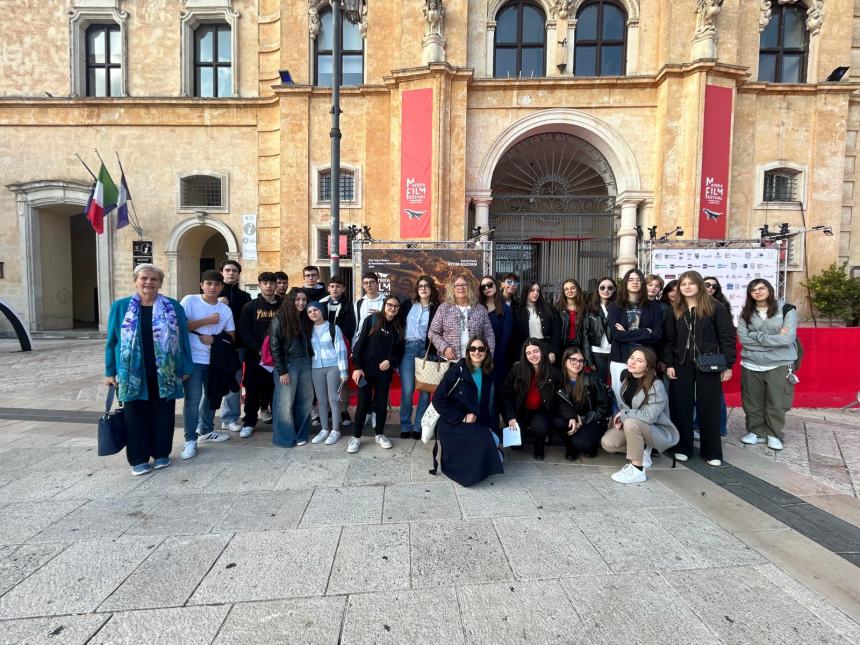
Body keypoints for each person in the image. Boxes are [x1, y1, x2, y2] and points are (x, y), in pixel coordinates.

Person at [104, 264, 193, 475]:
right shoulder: (120, 307)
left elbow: (183, 340)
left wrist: (186, 367)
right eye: (144, 278)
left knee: (164, 414)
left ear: (160, 283)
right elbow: (112, 341)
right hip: (132, 374)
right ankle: (138, 458)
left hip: (166, 372)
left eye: (154, 279)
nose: (149, 282)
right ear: (136, 281)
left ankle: (162, 454)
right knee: (134, 416)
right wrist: (109, 372)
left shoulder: (173, 307)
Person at [664, 271, 736, 466]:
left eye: (691, 283)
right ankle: (682, 447)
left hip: (709, 363)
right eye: (683, 284)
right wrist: (669, 363)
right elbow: (669, 340)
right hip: (681, 363)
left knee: (709, 406)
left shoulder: (716, 307)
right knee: (681, 406)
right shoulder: (675, 309)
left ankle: (712, 452)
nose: (686, 287)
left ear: (699, 286)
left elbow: (727, 337)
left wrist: (728, 365)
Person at [431, 335, 504, 486]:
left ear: (486, 352)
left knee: (495, 443)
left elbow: (492, 403)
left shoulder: (489, 372)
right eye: (473, 348)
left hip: (475, 422)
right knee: (490, 447)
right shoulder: (457, 371)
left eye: (481, 349)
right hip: (454, 423)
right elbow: (438, 400)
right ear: (468, 351)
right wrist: (462, 417)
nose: (477, 352)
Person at [179, 270, 236, 460]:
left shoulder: (225, 310)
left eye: (216, 284)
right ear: (201, 284)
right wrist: (207, 321)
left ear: (222, 287)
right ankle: (190, 439)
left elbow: (231, 336)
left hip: (214, 360)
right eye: (209, 283)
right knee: (192, 400)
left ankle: (206, 429)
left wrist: (214, 338)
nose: (212, 287)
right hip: (194, 360)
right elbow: (179, 326)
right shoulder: (189, 301)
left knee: (212, 396)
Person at [601, 347, 679, 484]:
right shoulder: (627, 379)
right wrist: (621, 419)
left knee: (631, 422)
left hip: (657, 430)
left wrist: (625, 416)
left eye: (639, 360)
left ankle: (637, 469)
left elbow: (649, 416)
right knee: (608, 443)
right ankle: (642, 450)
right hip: (636, 426)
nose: (633, 362)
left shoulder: (656, 385)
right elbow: (625, 407)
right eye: (632, 358)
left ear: (647, 366)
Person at [737, 279, 798, 451]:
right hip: (751, 363)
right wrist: (774, 339)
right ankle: (756, 432)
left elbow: (787, 338)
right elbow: (744, 340)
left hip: (779, 363)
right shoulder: (746, 313)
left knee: (777, 401)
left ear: (769, 289)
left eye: (761, 288)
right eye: (753, 290)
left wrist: (757, 336)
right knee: (752, 401)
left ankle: (774, 434)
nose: (757, 292)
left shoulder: (786, 309)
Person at [349, 295, 405, 453]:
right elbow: (359, 345)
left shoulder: (398, 327)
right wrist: (357, 366)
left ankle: (379, 434)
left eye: (396, 306)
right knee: (363, 404)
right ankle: (356, 437)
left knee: (381, 405)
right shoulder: (372, 320)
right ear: (384, 305)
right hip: (366, 371)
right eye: (389, 305)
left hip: (384, 373)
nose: (392, 308)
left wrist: (391, 362)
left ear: (398, 309)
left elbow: (399, 352)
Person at [501, 338, 561, 461]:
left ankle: (539, 447)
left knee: (541, 426)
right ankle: (520, 435)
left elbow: (559, 398)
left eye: (535, 351)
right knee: (516, 446)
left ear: (542, 351)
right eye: (528, 353)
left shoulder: (553, 373)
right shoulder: (516, 371)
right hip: (520, 411)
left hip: (541, 412)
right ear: (524, 355)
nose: (533, 355)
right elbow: (505, 395)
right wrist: (510, 416)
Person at [607, 268, 663, 397]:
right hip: (620, 358)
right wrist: (645, 332)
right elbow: (616, 335)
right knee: (620, 396)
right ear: (625, 283)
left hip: (645, 360)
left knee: (645, 397)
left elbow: (657, 335)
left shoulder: (653, 306)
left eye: (638, 280)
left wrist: (626, 333)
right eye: (631, 279)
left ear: (643, 284)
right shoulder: (615, 306)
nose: (635, 282)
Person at [238, 272, 281, 436]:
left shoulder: (283, 305)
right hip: (255, 356)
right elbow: (245, 330)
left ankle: (278, 420)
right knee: (253, 389)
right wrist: (258, 349)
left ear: (276, 285)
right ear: (260, 285)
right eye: (265, 283)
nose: (269, 286)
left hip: (277, 358)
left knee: (276, 390)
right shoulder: (250, 306)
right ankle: (249, 421)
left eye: (271, 283)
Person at [270, 289, 314, 447]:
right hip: (289, 364)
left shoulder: (308, 318)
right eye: (297, 299)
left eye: (304, 299)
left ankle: (301, 434)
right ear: (290, 301)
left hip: (307, 363)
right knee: (284, 403)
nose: (301, 302)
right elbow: (274, 347)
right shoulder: (279, 319)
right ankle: (284, 438)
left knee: (305, 400)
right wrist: (282, 371)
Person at [398, 275, 439, 439]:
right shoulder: (408, 305)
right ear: (417, 289)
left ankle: (419, 427)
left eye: (427, 286)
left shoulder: (436, 308)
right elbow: (397, 324)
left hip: (426, 350)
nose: (423, 288)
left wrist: (436, 353)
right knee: (407, 390)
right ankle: (405, 425)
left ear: (431, 289)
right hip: (408, 349)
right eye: (420, 286)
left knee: (424, 392)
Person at [553, 345, 611, 461]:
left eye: (580, 361)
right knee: (557, 422)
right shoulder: (559, 381)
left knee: (582, 444)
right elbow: (559, 405)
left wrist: (582, 419)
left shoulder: (592, 379)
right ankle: (570, 447)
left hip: (593, 420)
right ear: (565, 362)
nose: (577, 363)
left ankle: (591, 444)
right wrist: (572, 417)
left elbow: (605, 408)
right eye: (573, 359)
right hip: (573, 418)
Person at [306, 300, 349, 446]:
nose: (313, 313)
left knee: (333, 399)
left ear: (321, 311)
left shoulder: (333, 328)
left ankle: (335, 430)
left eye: (315, 310)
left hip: (333, 367)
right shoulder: (308, 330)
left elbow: (341, 350)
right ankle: (324, 429)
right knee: (321, 401)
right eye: (310, 311)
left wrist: (343, 371)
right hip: (316, 368)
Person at [428, 274, 496, 362]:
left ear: (469, 287)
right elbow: (432, 332)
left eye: (464, 284)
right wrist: (444, 347)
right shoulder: (444, 308)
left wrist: (488, 356)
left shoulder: (480, 309)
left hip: (475, 361)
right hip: (449, 361)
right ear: (452, 288)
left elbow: (489, 334)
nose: (461, 288)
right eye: (457, 285)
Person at [217, 260, 251, 434]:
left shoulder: (245, 297)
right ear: (222, 272)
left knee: (235, 383)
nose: (231, 273)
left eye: (234, 271)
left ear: (239, 274)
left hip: (238, 346)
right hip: (215, 346)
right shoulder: (212, 295)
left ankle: (230, 418)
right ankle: (204, 423)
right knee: (212, 383)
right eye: (228, 270)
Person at [319, 275, 357, 428]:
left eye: (338, 286)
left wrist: (338, 339)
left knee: (343, 380)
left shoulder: (349, 306)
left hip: (341, 346)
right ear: (329, 288)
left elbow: (350, 327)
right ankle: (327, 410)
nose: (335, 289)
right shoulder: (321, 304)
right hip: (323, 348)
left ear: (343, 289)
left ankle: (343, 411)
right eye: (332, 286)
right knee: (325, 379)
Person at [478, 275, 513, 400]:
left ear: (496, 286)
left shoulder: (506, 310)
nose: (487, 288)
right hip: (478, 356)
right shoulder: (478, 308)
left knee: (496, 393)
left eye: (490, 284)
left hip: (498, 358)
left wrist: (492, 359)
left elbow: (505, 339)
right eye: (483, 286)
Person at [512, 281, 559, 365]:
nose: (535, 293)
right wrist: (517, 357)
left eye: (538, 290)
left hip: (545, 349)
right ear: (526, 291)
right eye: (532, 290)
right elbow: (515, 336)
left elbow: (555, 332)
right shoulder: (517, 310)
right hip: (527, 349)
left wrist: (553, 351)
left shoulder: (548, 309)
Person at [583, 276, 616, 384]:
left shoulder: (618, 307)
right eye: (602, 287)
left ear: (614, 289)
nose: (606, 290)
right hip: (597, 353)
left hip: (614, 352)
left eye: (610, 288)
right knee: (600, 385)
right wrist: (588, 359)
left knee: (615, 385)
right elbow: (585, 334)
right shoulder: (590, 309)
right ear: (597, 289)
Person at [555, 278, 587, 359]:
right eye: (566, 289)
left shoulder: (585, 308)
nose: (569, 291)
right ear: (563, 292)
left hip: (580, 346)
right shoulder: (557, 308)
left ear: (577, 289)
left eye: (573, 288)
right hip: (562, 346)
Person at [354, 271, 386, 344]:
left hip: (381, 340)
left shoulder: (386, 302)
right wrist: (354, 344)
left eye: (372, 282)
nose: (369, 285)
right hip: (362, 340)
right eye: (366, 283)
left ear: (377, 284)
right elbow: (355, 325)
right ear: (363, 285)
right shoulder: (359, 303)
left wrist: (381, 315)